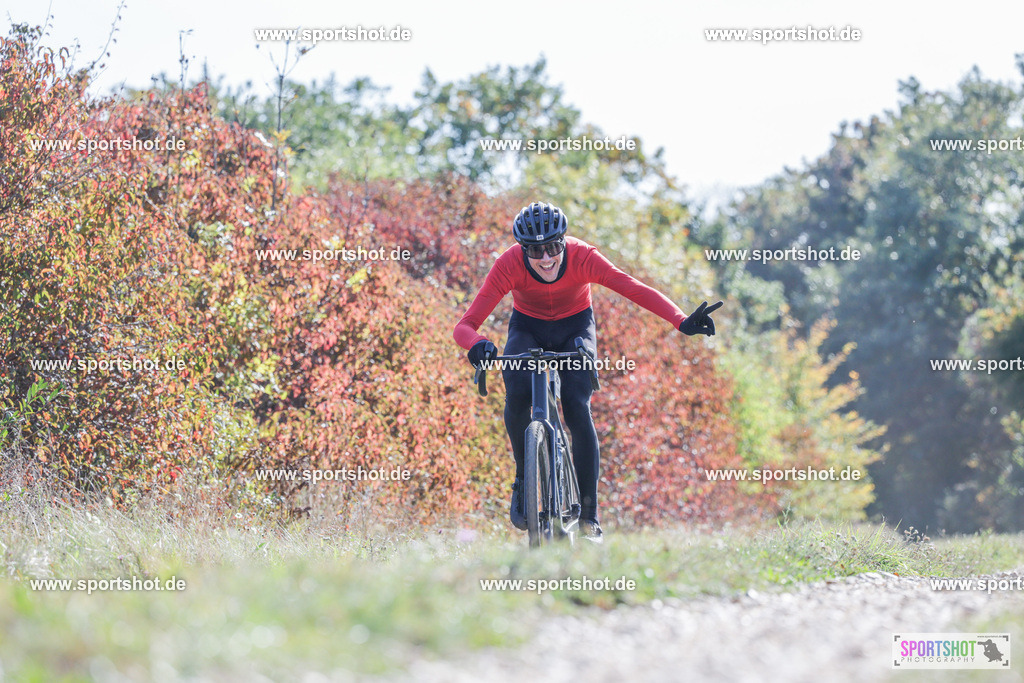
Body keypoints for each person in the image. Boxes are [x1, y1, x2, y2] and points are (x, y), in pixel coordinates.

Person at [453, 202, 722, 542]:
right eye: (536, 250)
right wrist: (476, 343)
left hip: (576, 328)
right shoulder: (507, 264)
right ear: (523, 250)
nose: (546, 258)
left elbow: (631, 287)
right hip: (527, 328)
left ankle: (589, 516)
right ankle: (524, 479)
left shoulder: (584, 257)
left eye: (552, 247)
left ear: (564, 242)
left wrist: (680, 319)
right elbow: (465, 326)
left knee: (577, 406)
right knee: (517, 391)